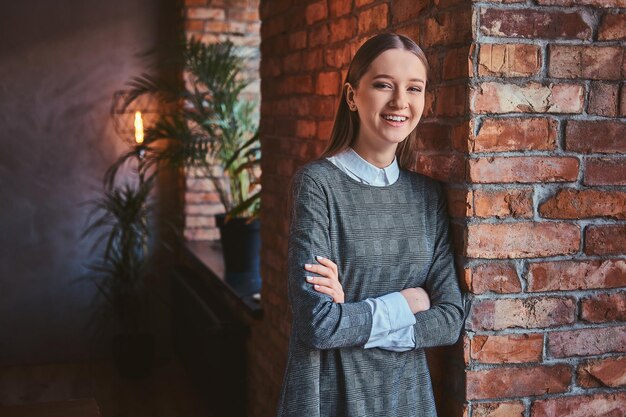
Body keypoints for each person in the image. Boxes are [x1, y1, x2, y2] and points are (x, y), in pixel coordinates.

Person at [276, 32, 465, 417]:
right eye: (383, 85)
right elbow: (320, 324)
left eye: (414, 88)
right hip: (330, 393)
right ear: (351, 96)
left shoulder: (428, 197)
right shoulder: (317, 185)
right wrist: (408, 302)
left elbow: (448, 320)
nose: (400, 102)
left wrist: (353, 312)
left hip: (407, 399)